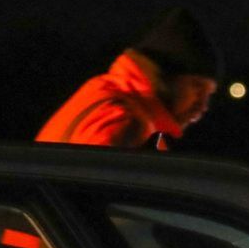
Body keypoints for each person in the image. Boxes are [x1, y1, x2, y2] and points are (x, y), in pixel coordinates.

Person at [36, 8, 222, 150]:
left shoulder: (118, 103)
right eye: (197, 88)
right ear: (166, 77)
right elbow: (99, 192)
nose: (203, 105)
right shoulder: (120, 119)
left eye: (209, 94)